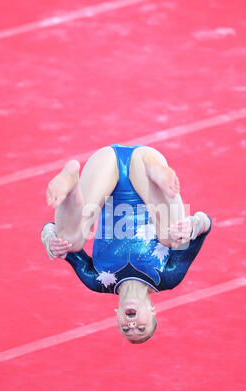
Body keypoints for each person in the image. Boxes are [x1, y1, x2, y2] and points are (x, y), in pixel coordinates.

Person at [41, 144, 211, 344]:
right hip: (144, 169)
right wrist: (193, 225)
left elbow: (51, 230)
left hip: (106, 167)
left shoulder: (96, 280)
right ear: (152, 310)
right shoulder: (168, 276)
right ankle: (156, 175)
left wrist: (49, 240)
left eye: (125, 329)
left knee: (71, 241)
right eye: (141, 327)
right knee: (174, 236)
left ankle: (70, 185)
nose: (132, 325)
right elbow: (205, 223)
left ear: (117, 315)